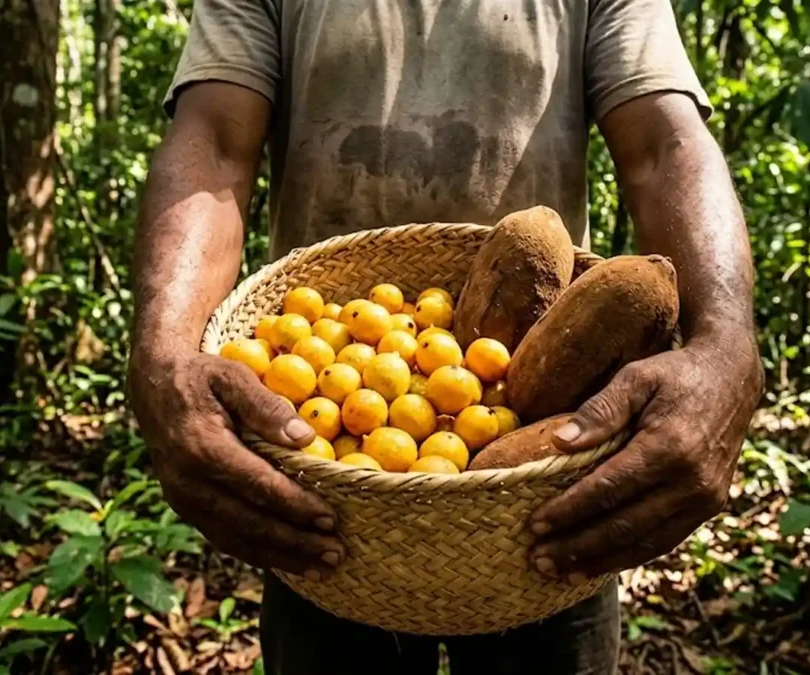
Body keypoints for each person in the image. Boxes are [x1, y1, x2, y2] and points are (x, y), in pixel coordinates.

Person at [128, 0, 764, 672]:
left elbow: (667, 145)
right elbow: (215, 144)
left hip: (550, 474)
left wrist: (724, 344)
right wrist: (163, 349)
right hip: (328, 494)